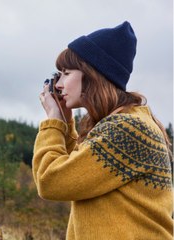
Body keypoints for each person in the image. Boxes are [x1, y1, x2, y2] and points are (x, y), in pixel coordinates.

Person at [33, 21, 173, 239]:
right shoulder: (120, 124)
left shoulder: (126, 129)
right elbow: (76, 174)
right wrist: (65, 122)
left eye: (66, 73)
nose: (58, 84)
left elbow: (51, 181)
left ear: (92, 75)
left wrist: (53, 121)